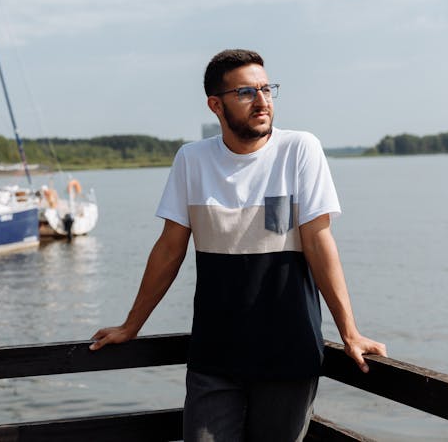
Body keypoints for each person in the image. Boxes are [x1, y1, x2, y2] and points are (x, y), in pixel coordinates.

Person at [89, 49, 387, 441]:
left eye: (267, 89)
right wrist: (132, 325)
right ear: (216, 104)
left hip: (289, 354)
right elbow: (169, 250)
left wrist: (349, 331)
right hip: (215, 357)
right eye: (247, 92)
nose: (263, 102)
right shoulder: (191, 160)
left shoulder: (299, 150)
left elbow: (319, 243)